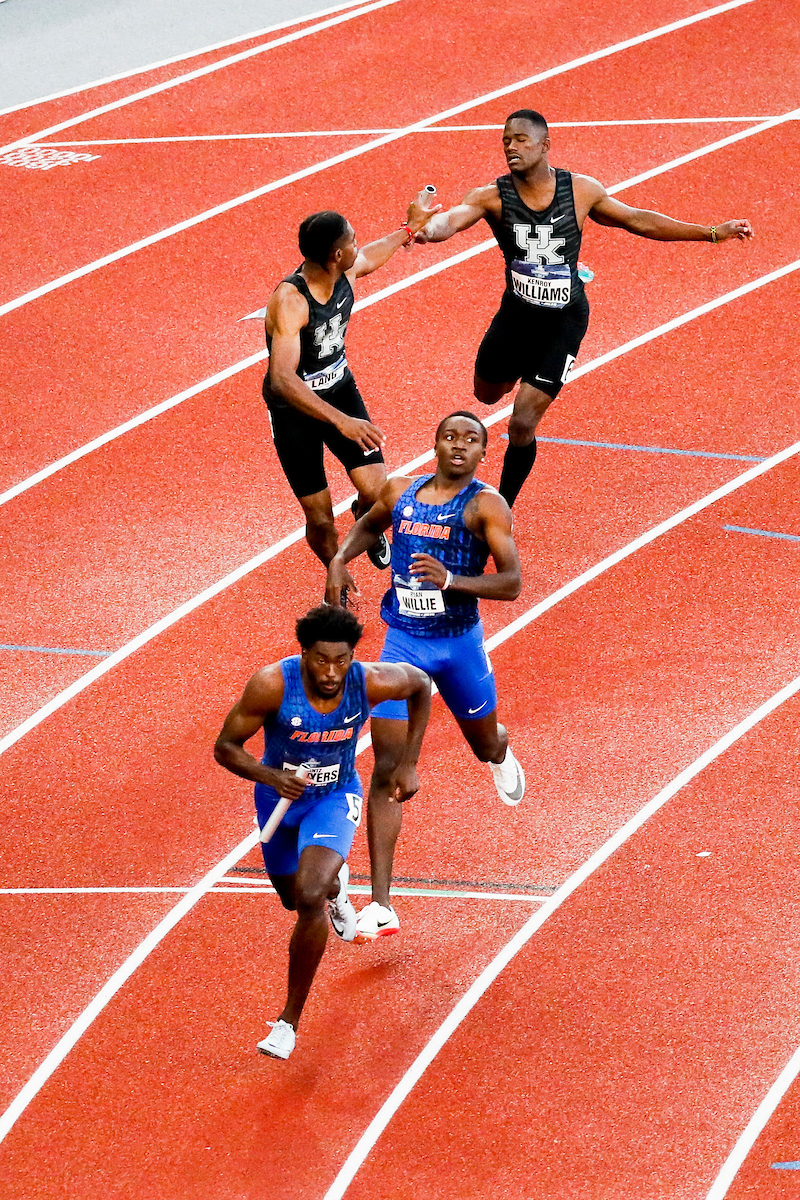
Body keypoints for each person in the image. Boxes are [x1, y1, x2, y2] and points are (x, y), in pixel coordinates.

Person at [414, 109, 754, 507]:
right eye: (506, 140)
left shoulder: (580, 190)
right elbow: (448, 223)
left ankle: (500, 509)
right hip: (517, 316)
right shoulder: (492, 196)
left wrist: (711, 233)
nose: (510, 147)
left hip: (563, 321)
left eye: (520, 139)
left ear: (545, 145)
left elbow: (638, 220)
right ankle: (525, 372)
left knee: (522, 422)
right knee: (487, 395)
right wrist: (423, 227)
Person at [326, 411, 524, 941]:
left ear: (484, 454)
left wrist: (453, 580)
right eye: (450, 436)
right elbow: (369, 523)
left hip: (458, 645)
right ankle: (382, 903)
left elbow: (511, 584)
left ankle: (500, 754)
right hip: (403, 644)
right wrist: (341, 558)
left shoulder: (486, 506)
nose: (459, 445)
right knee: (387, 769)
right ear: (434, 444)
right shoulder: (401, 493)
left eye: (471, 440)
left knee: (483, 743)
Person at [214, 604, 430, 1060]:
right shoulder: (272, 684)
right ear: (303, 653)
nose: (331, 672)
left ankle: (287, 1023)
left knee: (307, 897)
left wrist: (409, 761)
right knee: (295, 897)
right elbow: (226, 747)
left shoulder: (370, 680)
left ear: (353, 655)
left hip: (335, 798)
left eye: (341, 660)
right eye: (320, 660)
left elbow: (421, 686)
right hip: (278, 799)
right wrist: (271, 777)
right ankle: (335, 886)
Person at [263, 191, 441, 583]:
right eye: (351, 242)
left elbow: (372, 256)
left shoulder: (344, 269)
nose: (357, 246)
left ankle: (362, 516)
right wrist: (341, 422)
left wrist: (409, 229)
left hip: (339, 389)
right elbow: (282, 378)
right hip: (294, 411)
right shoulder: (291, 302)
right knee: (321, 518)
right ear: (335, 256)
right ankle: (337, 572)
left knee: (379, 496)